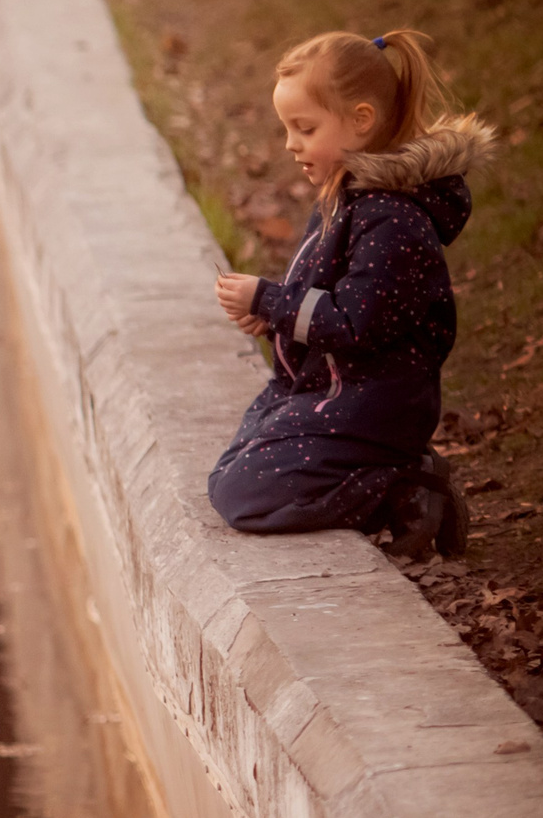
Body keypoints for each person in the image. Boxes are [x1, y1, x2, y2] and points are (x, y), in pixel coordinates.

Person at [206, 28, 495, 560]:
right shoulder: (344, 196)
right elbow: (321, 296)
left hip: (370, 406)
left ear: (361, 122)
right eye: (287, 129)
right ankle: (391, 476)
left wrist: (270, 300)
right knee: (229, 472)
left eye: (305, 128)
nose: (291, 144)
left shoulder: (394, 220)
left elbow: (356, 322)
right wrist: (270, 318)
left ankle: (404, 490)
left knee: (243, 494)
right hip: (325, 393)